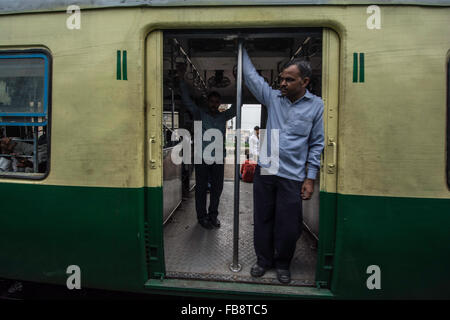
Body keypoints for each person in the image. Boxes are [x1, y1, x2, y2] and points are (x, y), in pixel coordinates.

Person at [243, 47, 324, 284]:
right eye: (281, 79)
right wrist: (241, 45)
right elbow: (251, 77)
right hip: (267, 169)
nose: (283, 83)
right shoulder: (273, 98)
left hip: (293, 174)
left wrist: (310, 178)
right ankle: (263, 260)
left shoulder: (316, 106)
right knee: (263, 219)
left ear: (304, 81)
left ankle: (283, 263)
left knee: (289, 226)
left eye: (289, 79)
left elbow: (317, 143)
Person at [177, 63, 236, 230]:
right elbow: (187, 101)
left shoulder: (224, 116)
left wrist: (240, 83)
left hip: (217, 158)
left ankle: (213, 216)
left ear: (219, 103)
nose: (214, 104)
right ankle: (201, 217)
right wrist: (181, 79)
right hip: (202, 158)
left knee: (217, 189)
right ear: (208, 102)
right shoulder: (199, 114)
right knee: (201, 189)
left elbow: (237, 107)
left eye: (217, 102)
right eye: (212, 101)